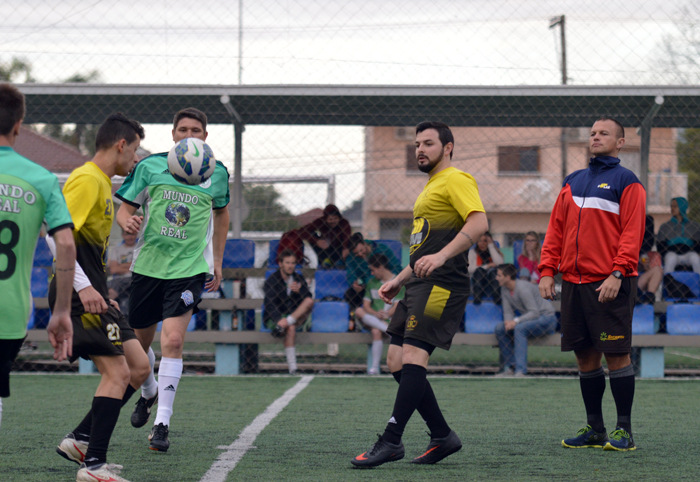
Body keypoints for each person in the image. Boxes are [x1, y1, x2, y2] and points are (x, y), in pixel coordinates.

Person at [351, 121, 488, 468]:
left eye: (428, 143)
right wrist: (399, 279)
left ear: (449, 147)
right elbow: (425, 249)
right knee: (395, 361)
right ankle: (442, 435)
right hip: (418, 285)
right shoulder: (429, 188)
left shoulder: (456, 179)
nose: (420, 150)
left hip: (444, 286)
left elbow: (478, 223)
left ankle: (391, 440)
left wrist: (443, 257)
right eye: (416, 145)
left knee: (413, 355)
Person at [116, 107, 230, 452]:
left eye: (196, 130)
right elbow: (124, 207)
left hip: (189, 270)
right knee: (139, 345)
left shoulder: (217, 173)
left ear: (205, 137)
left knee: (174, 342)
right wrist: (126, 222)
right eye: (183, 129)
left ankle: (162, 422)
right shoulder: (151, 166)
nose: (189, 135)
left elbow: (222, 214)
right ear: (173, 134)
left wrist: (218, 261)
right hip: (149, 267)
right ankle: (149, 391)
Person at [51, 113, 150, 482]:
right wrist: (83, 287)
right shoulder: (86, 179)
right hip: (79, 294)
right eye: (136, 150)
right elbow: (55, 236)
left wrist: (98, 287)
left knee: (139, 367)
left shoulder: (104, 185)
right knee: (117, 372)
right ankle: (93, 466)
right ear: (120, 145)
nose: (136, 159)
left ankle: (80, 441)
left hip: (95, 293)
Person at [539, 116, 646, 452]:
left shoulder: (628, 182)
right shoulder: (573, 181)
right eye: (593, 133)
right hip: (573, 283)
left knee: (616, 355)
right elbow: (556, 229)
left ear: (620, 142)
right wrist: (546, 270)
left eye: (604, 133)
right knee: (585, 357)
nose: (596, 137)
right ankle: (595, 428)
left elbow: (632, 232)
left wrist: (618, 272)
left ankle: (624, 431)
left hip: (610, 283)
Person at [0, 83, 75, 429]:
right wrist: (60, 311)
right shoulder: (43, 180)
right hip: (9, 311)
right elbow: (65, 244)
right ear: (18, 125)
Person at [494, 264, 556, 377]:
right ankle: (510, 367)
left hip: (547, 319)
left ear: (507, 277)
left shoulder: (522, 288)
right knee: (500, 329)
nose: (496, 278)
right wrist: (508, 322)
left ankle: (520, 371)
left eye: (499, 275)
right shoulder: (504, 288)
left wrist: (515, 321)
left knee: (519, 328)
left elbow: (534, 312)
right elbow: (508, 311)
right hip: (530, 320)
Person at [263, 249, 314, 374]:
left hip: (293, 316)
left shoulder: (298, 278)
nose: (290, 266)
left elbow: (308, 296)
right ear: (280, 264)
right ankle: (293, 368)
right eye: (287, 263)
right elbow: (269, 304)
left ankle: (285, 324)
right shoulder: (272, 280)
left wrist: (299, 292)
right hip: (276, 317)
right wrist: (278, 319)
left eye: (293, 263)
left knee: (309, 301)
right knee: (290, 328)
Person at [355, 253, 405, 375]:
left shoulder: (396, 282)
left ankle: (374, 367)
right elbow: (366, 305)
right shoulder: (372, 283)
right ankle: (388, 330)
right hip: (374, 318)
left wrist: (387, 314)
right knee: (358, 311)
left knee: (376, 331)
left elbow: (398, 305)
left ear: (381, 267)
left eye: (373, 269)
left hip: (390, 319)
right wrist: (376, 313)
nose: (371, 273)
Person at [345, 232, 402, 311]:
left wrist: (389, 279)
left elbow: (396, 268)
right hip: (367, 285)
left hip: (386, 282)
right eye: (356, 253)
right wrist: (353, 284)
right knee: (350, 294)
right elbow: (351, 274)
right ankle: (354, 318)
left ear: (365, 243)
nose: (360, 254)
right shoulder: (351, 258)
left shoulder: (382, 249)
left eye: (361, 250)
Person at [297, 204, 351, 269]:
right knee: (311, 234)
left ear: (339, 218)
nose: (333, 221)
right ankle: (325, 261)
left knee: (350, 240)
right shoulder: (320, 221)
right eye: (330, 219)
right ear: (325, 219)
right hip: (325, 249)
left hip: (339, 250)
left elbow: (347, 237)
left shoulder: (344, 223)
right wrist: (316, 241)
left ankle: (339, 262)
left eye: (335, 218)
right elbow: (302, 231)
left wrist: (345, 248)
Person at [657, 197, 700, 274]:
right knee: (670, 258)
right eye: (671, 206)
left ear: (682, 207)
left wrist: (686, 248)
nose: (672, 209)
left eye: (675, 206)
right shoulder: (665, 226)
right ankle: (668, 283)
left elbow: (697, 245)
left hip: (688, 254)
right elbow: (660, 245)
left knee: (695, 258)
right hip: (672, 253)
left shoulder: (694, 226)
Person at [467, 232, 504, 304]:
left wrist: (491, 246)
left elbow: (501, 264)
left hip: (492, 284)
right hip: (476, 284)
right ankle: (477, 297)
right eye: (480, 241)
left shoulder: (493, 252)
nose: (482, 243)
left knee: (493, 272)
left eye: (485, 241)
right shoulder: (472, 252)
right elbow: (468, 268)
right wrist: (487, 266)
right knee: (479, 271)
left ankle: (497, 298)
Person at [108, 228, 137, 317]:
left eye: (132, 234)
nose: (130, 237)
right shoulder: (116, 250)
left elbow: (141, 268)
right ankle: (108, 312)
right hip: (119, 280)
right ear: (123, 235)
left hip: (134, 279)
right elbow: (113, 269)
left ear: (136, 235)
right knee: (109, 288)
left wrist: (121, 266)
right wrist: (131, 265)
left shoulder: (140, 249)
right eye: (127, 234)